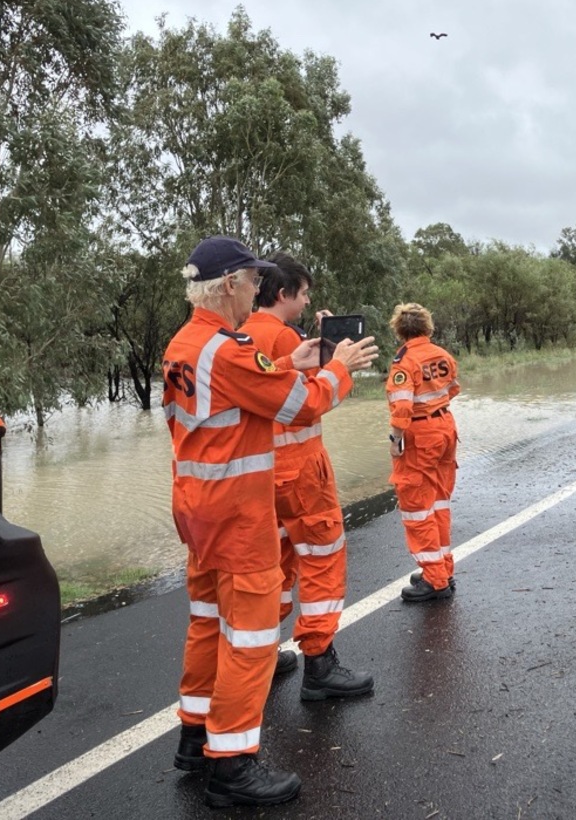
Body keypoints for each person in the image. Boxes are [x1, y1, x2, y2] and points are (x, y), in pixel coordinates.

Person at [162, 236, 378, 808]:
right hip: (236, 513)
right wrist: (338, 368)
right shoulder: (225, 349)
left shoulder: (187, 345)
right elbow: (299, 406)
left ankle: (194, 736)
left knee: (207, 621)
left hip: (196, 507)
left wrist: (289, 362)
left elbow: (229, 396)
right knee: (253, 639)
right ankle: (231, 766)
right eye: (253, 282)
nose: (259, 291)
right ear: (229, 283)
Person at [239, 254, 374, 701]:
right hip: (301, 472)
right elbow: (316, 398)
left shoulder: (237, 336)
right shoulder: (285, 338)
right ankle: (319, 663)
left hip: (257, 474)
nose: (309, 299)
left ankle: (264, 652)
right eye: (305, 292)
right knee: (321, 557)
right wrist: (343, 364)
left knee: (271, 565)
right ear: (284, 294)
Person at [385, 303, 461, 603]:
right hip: (446, 426)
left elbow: (401, 406)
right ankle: (443, 568)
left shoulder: (404, 361)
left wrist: (396, 439)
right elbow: (453, 388)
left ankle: (434, 579)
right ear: (427, 327)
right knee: (439, 502)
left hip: (420, 433)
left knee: (417, 505)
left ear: (400, 330)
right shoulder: (442, 354)